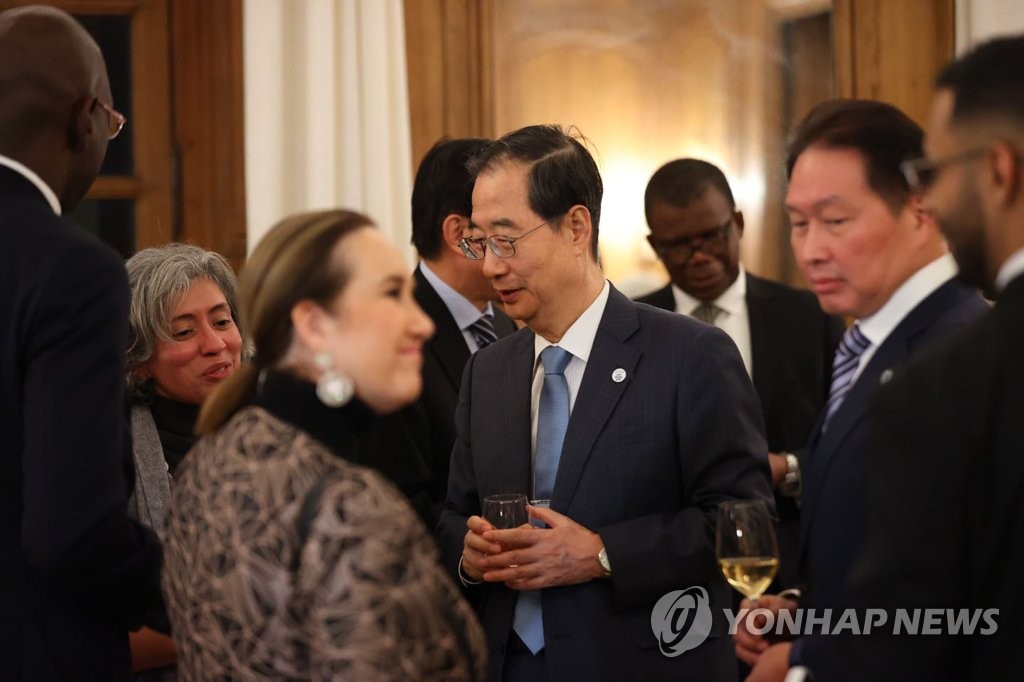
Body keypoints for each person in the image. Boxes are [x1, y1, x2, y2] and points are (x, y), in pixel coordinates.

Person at [437, 124, 772, 682]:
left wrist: (601, 553)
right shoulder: (488, 370)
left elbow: (743, 518)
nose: (490, 265)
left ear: (575, 226)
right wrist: (469, 557)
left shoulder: (690, 355)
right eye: (479, 242)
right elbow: (454, 515)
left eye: (507, 239)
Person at [161, 209, 487, 681]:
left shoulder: (213, 458)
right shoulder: (350, 507)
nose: (421, 324)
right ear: (314, 325)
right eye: (393, 295)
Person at [733, 99, 988, 682]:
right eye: (798, 224)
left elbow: (960, 596)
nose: (811, 250)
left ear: (919, 208)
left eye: (836, 221)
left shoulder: (958, 354)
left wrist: (800, 665)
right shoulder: (867, 340)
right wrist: (804, 610)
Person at [821, 34, 1024, 682]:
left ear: (998, 170)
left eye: (934, 173)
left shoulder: (943, 387)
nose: (928, 201)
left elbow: (905, 643)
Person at [0, 6, 165, 680]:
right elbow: (71, 530)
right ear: (86, 118)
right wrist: (203, 595)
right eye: (114, 124)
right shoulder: (71, 269)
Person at [637, 158, 844, 590]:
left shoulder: (809, 316)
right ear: (655, 246)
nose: (698, 256)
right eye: (678, 245)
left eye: (712, 236)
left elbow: (849, 442)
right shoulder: (633, 329)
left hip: (792, 569)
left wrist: (787, 468)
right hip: (673, 577)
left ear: (738, 223)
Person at [368, 137, 516, 528]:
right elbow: (397, 502)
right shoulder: (391, 336)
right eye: (500, 232)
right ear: (458, 234)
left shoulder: (510, 319)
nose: (513, 249)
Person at [122, 244, 245, 677]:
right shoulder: (111, 454)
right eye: (184, 332)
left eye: (222, 321)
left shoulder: (279, 432)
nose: (215, 345)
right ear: (138, 361)